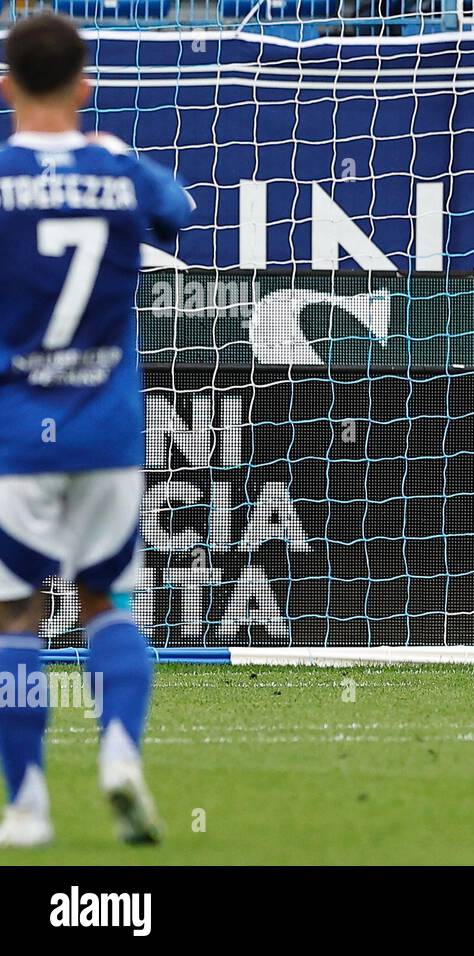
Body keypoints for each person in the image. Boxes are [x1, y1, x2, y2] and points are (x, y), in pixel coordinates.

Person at [0, 14, 194, 847]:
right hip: (109, 431)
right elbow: (176, 209)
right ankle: (118, 756)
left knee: (13, 619)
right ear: (85, 85)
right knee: (107, 604)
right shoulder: (117, 167)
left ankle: (29, 804)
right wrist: (107, 155)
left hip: (15, 432)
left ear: (7, 85)